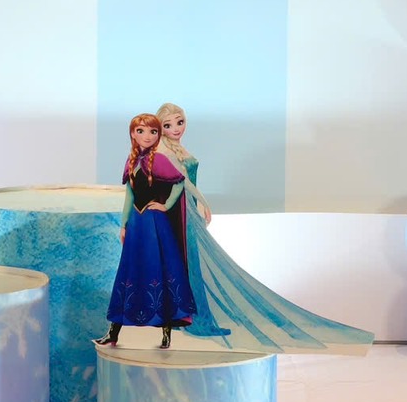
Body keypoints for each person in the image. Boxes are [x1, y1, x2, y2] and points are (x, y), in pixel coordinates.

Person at [158, 102, 374, 355]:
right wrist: (204, 203)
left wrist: (199, 205)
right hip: (180, 212)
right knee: (187, 263)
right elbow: (181, 183)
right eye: (168, 125)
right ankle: (188, 319)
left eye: (180, 122)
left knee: (191, 264)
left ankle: (191, 318)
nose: (176, 128)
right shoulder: (164, 149)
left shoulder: (177, 147)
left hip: (189, 209)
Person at [97, 114, 197, 349]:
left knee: (160, 272)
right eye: (141, 131)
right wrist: (123, 224)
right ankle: (113, 332)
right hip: (137, 223)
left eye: (153, 132)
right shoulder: (131, 161)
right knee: (128, 273)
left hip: (155, 223)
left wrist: (166, 205)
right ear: (133, 133)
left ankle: (166, 332)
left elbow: (179, 182)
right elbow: (129, 196)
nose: (147, 136)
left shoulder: (160, 159)